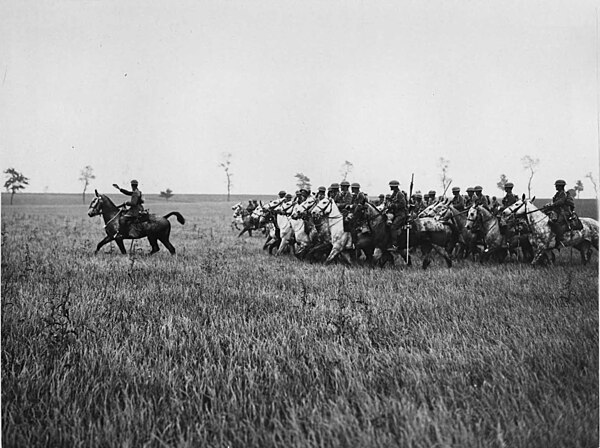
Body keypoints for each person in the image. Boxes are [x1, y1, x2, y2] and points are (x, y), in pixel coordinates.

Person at [544, 179, 575, 247]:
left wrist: (552, 204)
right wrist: (548, 205)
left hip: (565, 212)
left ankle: (561, 239)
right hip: (558, 211)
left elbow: (560, 202)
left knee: (557, 223)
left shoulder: (564, 194)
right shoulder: (557, 194)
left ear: (561, 186)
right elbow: (555, 203)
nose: (556, 187)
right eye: (556, 186)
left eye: (557, 186)